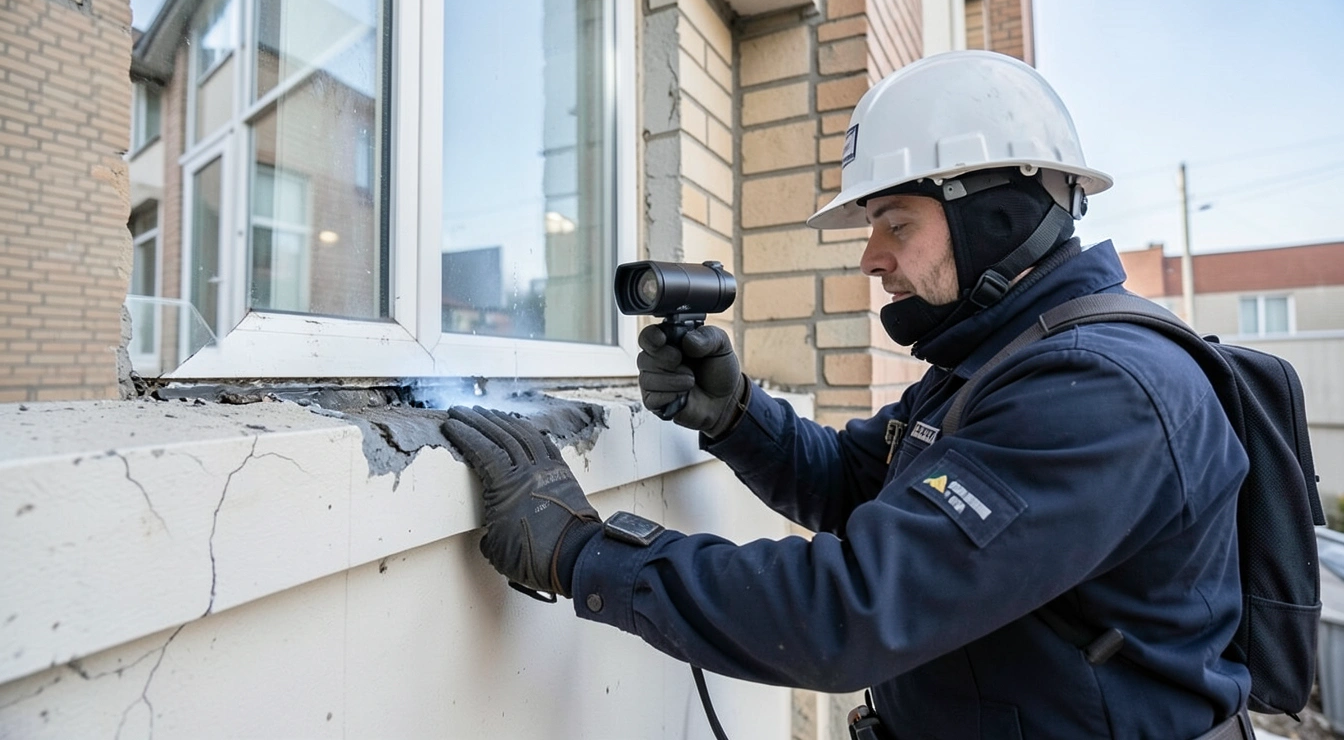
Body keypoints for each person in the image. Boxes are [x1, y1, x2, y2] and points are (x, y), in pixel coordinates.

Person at [441, 51, 1252, 739]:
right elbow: (857, 485)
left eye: (895, 223)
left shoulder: (1100, 392)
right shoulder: (995, 364)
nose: (871, 256)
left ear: (999, 218)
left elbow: (853, 611)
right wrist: (737, 416)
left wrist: (581, 552)